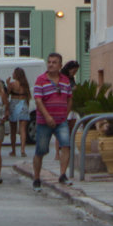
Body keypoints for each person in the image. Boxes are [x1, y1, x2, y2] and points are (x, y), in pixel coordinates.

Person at [32, 52, 73, 190]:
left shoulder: (65, 80)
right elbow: (38, 100)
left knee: (66, 145)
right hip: (44, 122)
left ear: (60, 65)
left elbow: (69, 98)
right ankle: (36, 178)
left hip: (61, 121)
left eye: (54, 62)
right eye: (49, 62)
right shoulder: (40, 80)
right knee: (40, 150)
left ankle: (62, 175)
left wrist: (65, 114)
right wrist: (47, 117)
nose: (51, 64)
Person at [56, 61, 80, 163]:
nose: (74, 73)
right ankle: (58, 153)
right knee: (61, 129)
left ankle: (67, 150)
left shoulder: (71, 79)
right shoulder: (61, 78)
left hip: (72, 104)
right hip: (64, 105)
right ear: (69, 69)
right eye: (73, 71)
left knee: (70, 128)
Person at [7, 66, 32, 157]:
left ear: (17, 75)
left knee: (13, 130)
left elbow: (7, 94)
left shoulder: (12, 84)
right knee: (23, 129)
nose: (12, 74)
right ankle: (22, 149)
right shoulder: (25, 85)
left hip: (14, 104)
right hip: (24, 104)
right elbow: (28, 97)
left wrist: (7, 84)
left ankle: (13, 150)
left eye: (14, 72)